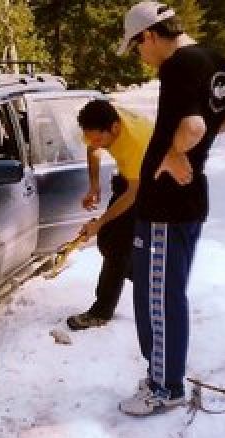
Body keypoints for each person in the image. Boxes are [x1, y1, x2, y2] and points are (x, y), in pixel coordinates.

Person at [115, 2, 225, 416]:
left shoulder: (178, 64)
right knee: (163, 293)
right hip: (183, 203)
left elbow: (194, 126)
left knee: (158, 298)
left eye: (137, 48)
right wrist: (202, 138)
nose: (140, 57)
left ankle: (165, 388)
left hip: (168, 204)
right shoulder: (210, 58)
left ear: (149, 36)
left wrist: (177, 151)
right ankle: (163, 374)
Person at [66, 99, 153, 331]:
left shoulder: (136, 141)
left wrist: (100, 221)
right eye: (90, 137)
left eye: (99, 138)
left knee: (116, 246)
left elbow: (134, 193)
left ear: (115, 128)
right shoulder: (100, 125)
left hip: (153, 184)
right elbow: (92, 148)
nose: (94, 142)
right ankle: (149, 280)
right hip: (130, 178)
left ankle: (101, 311)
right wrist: (94, 185)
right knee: (108, 240)